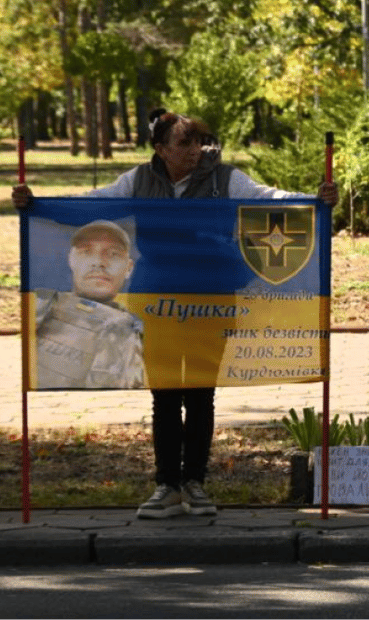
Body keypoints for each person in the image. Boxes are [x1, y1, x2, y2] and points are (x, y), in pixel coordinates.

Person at [13, 110, 338, 520]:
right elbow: (93, 203)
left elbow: (268, 198)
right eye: (184, 143)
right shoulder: (136, 180)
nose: (195, 150)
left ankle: (195, 484)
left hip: (213, 299)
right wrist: (37, 203)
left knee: (202, 391)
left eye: (199, 141)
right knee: (165, 393)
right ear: (161, 148)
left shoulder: (226, 179)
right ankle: (166, 486)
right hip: (157, 298)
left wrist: (315, 201)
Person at [34, 219, 145, 390]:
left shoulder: (129, 330)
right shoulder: (40, 304)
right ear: (71, 259)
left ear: (129, 267)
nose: (99, 262)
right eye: (86, 252)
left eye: (114, 254)